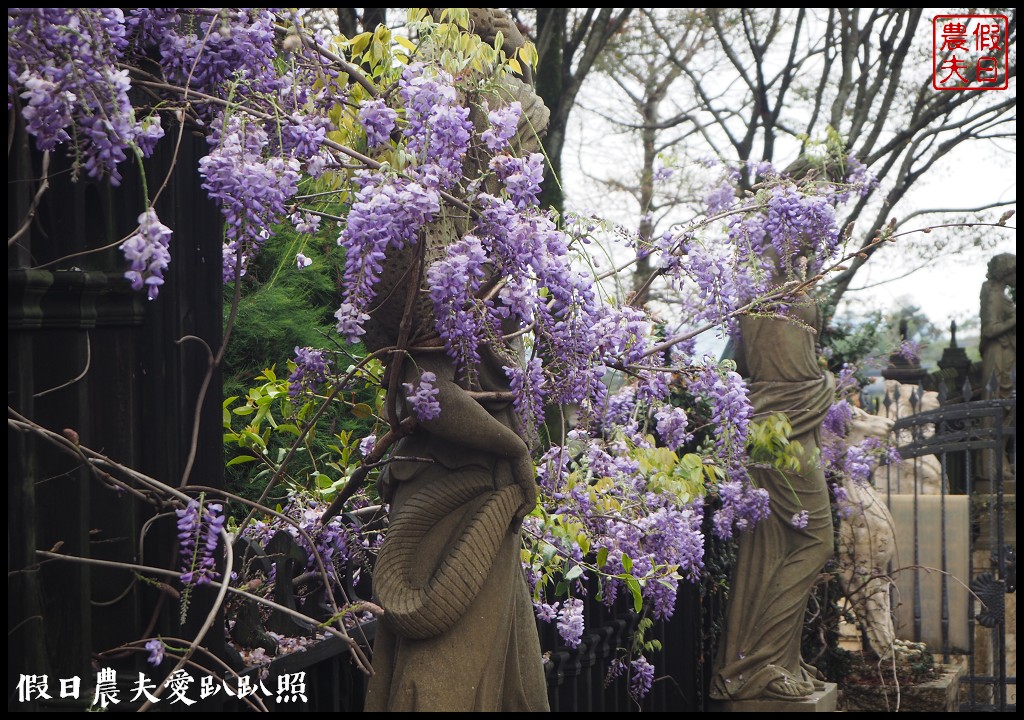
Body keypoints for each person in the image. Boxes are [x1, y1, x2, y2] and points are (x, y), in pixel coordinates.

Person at [362, 10, 551, 712]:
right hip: (447, 491)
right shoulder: (417, 230)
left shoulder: (487, 244)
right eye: (511, 148)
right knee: (440, 683)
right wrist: (510, 447)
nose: (515, 174)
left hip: (482, 491)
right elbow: (424, 389)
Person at [710, 262, 835, 702]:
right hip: (788, 430)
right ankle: (761, 662)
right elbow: (799, 377)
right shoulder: (794, 299)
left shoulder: (753, 302)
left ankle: (777, 659)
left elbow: (730, 366)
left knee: (772, 542)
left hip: (763, 423)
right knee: (814, 542)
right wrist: (826, 384)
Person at [979, 252, 1016, 483]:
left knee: (1003, 410)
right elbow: (990, 330)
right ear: (1006, 272)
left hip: (1006, 354)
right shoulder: (993, 295)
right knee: (995, 409)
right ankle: (990, 468)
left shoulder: (999, 293)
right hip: (997, 356)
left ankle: (998, 463)